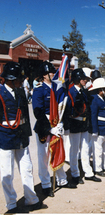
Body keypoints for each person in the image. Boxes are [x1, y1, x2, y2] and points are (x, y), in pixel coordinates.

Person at [0, 62, 43, 213]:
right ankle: (11, 204)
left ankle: (31, 199)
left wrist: (27, 135)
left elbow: (24, 114)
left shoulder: (20, 92)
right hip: (5, 136)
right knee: (7, 173)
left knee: (27, 169)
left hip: (21, 136)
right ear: (10, 79)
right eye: (18, 78)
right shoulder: (0, 93)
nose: (21, 81)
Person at [32, 61, 77, 198]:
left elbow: (62, 108)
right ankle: (46, 184)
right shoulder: (39, 90)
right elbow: (37, 112)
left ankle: (62, 180)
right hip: (45, 125)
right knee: (44, 156)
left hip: (57, 123)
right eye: (51, 72)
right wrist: (49, 129)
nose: (53, 74)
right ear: (44, 75)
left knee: (58, 151)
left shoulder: (58, 89)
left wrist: (61, 123)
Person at [68, 68, 101, 184]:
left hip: (84, 123)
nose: (85, 81)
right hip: (75, 123)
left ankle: (88, 172)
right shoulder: (71, 91)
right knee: (74, 150)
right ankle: (75, 173)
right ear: (77, 79)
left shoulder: (83, 91)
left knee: (86, 149)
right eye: (83, 79)